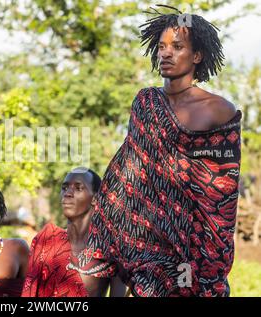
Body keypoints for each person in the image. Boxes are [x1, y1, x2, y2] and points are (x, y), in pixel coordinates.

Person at [72, 5, 242, 297]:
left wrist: (210, 253)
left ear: (197, 55)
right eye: (161, 47)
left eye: (177, 47)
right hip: (146, 241)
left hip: (195, 243)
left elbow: (223, 191)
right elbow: (129, 169)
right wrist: (110, 219)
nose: (166, 53)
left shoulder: (218, 110)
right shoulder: (146, 101)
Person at [23, 167, 127, 297]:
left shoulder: (111, 250)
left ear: (95, 199)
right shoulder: (47, 240)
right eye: (64, 188)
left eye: (78, 188)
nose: (67, 193)